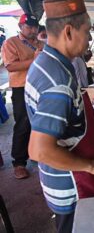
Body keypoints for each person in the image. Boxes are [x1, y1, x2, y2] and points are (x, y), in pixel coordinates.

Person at [24, 0, 94, 232]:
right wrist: (91, 166)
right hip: (72, 186)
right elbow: (39, 150)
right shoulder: (58, 82)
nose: (90, 39)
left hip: (62, 179)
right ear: (68, 31)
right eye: (87, 32)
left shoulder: (46, 61)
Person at [1, 13, 44, 179]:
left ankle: (37, 153)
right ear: (20, 27)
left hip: (40, 87)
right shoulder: (11, 42)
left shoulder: (41, 43)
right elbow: (10, 66)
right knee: (23, 123)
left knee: (40, 121)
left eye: (35, 27)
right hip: (21, 88)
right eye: (29, 27)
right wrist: (34, 60)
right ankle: (19, 163)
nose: (33, 30)